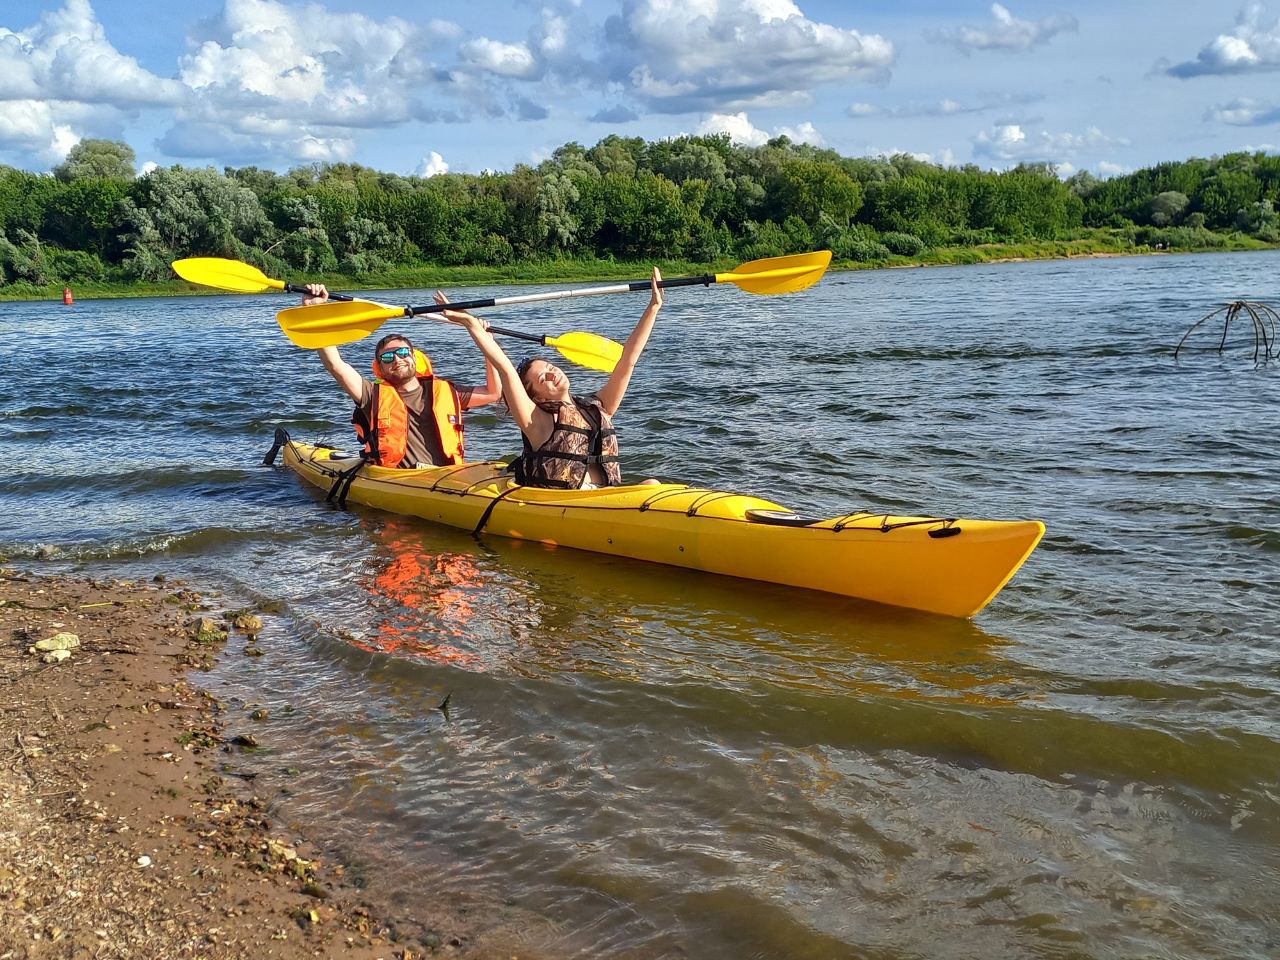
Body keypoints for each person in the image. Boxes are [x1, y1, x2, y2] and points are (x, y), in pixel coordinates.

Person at [432, 268, 664, 489]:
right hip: (565, 505)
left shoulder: (599, 407)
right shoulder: (536, 421)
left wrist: (653, 307)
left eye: (551, 367)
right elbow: (506, 370)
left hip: (608, 497)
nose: (553, 373)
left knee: (652, 484)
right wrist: (471, 324)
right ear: (536, 396)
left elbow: (627, 361)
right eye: (544, 378)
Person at [301, 284, 500, 467]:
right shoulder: (371, 394)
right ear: (380, 367)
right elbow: (335, 364)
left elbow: (493, 392)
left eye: (403, 353)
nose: (397, 360)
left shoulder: (446, 391)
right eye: (388, 357)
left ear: (415, 357)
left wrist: (484, 339)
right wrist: (315, 310)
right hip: (401, 480)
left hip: (449, 476)